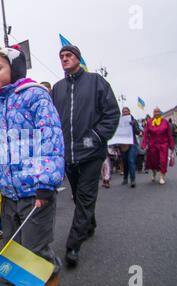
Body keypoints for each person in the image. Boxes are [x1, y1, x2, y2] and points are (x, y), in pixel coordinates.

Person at [0, 45, 64, 286]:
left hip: (35, 189)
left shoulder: (35, 95)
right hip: (10, 191)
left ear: (16, 69)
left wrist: (46, 182)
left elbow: (50, 136)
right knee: (13, 249)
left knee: (34, 248)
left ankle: (50, 267)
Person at [51, 45, 120, 266]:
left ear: (78, 59)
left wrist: (96, 136)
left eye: (68, 55)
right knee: (80, 197)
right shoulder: (58, 88)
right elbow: (52, 119)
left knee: (85, 197)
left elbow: (111, 113)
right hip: (68, 155)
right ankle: (89, 224)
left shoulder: (96, 81)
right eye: (61, 57)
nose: (64, 59)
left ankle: (73, 246)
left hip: (91, 153)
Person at [141, 107, 175, 185]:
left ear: (160, 113)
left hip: (163, 144)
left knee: (163, 161)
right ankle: (154, 173)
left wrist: (171, 144)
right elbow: (146, 134)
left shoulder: (165, 122)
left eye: (158, 112)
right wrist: (144, 144)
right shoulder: (149, 122)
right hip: (153, 144)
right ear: (153, 113)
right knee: (154, 161)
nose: (157, 113)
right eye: (155, 112)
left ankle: (162, 177)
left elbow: (169, 134)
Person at [120, 107, 141, 188]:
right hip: (123, 144)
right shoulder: (120, 122)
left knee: (131, 160)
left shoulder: (134, 121)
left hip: (132, 143)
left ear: (129, 112)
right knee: (125, 161)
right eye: (123, 112)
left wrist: (133, 126)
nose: (125, 113)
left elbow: (138, 132)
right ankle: (125, 178)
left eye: (126, 111)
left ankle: (132, 179)